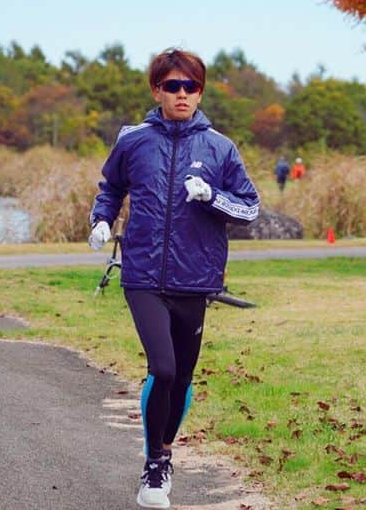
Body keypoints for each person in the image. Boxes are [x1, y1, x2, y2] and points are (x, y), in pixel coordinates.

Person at [88, 48, 260, 509]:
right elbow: (111, 188)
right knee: (161, 368)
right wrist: (101, 221)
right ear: (157, 90)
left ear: (200, 92)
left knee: (181, 377)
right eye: (173, 86)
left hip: (195, 277)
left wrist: (212, 197)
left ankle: (163, 451)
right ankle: (155, 464)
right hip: (143, 273)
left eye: (191, 86)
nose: (182, 94)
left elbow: (249, 208)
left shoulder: (221, 148)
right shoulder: (134, 140)